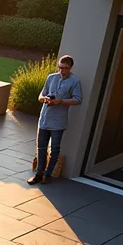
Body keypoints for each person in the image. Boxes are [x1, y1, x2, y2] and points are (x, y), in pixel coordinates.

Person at [28, 55, 82, 185]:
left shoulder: (75, 81)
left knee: (54, 149)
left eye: (65, 68)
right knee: (41, 147)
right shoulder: (51, 77)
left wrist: (61, 101)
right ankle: (38, 174)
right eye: (60, 67)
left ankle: (48, 174)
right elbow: (42, 93)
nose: (62, 71)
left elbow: (78, 100)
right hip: (44, 118)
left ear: (71, 67)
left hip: (58, 122)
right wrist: (43, 99)